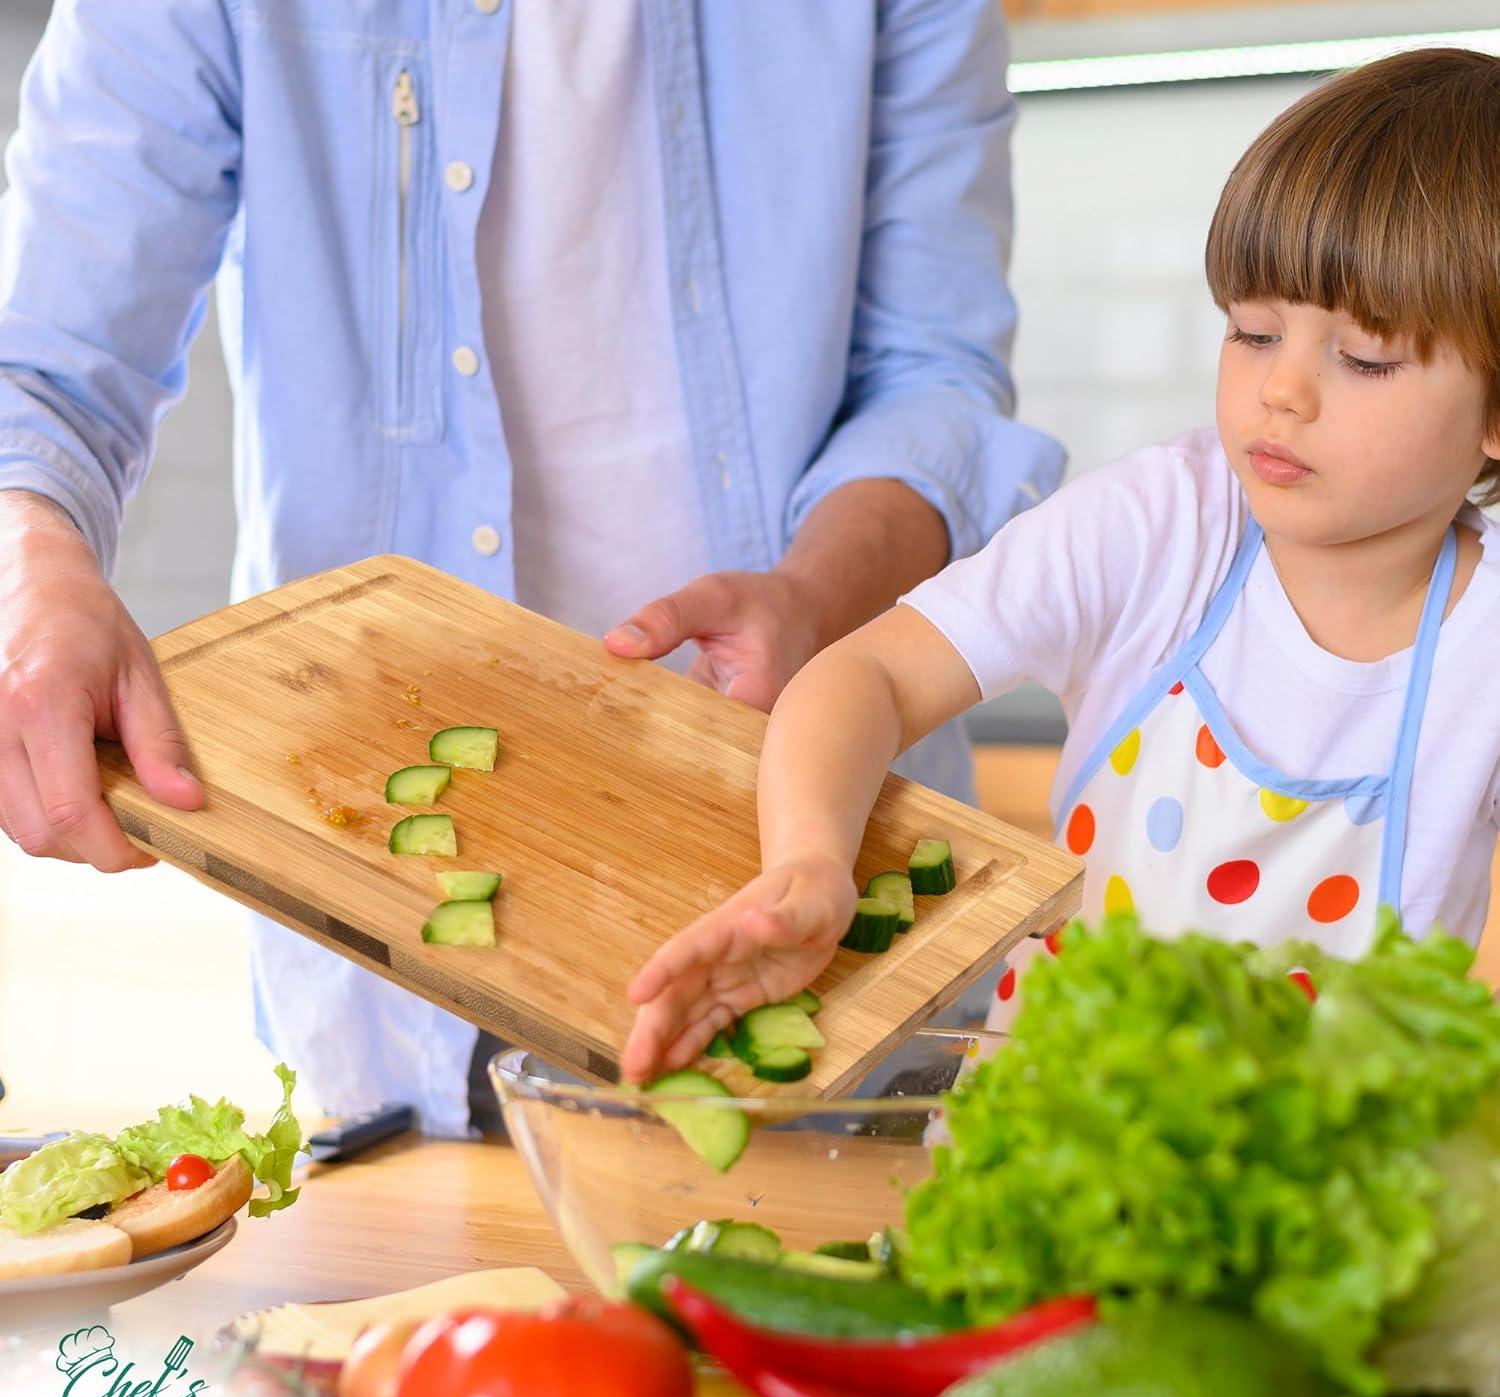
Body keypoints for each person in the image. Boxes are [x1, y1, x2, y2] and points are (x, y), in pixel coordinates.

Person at [0, 3, 1063, 1135]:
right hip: (391, 946)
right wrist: (34, 570)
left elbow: (932, 379)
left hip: (832, 909)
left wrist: (815, 598)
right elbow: (46, 370)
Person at [620, 46, 1500, 1084]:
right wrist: (810, 867)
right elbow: (869, 675)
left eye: (1362, 359)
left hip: (1318, 1214)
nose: (1283, 393)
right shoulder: (1164, 526)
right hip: (1038, 1148)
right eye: (1253, 332)